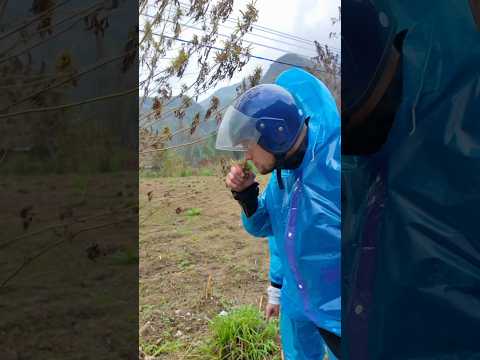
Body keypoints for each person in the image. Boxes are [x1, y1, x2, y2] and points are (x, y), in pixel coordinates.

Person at [216, 67, 341, 358]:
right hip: (297, 302)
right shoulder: (283, 176)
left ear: (275, 134)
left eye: (248, 145)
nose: (246, 156)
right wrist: (247, 197)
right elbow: (266, 226)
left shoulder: (337, 168)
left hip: (340, 311)